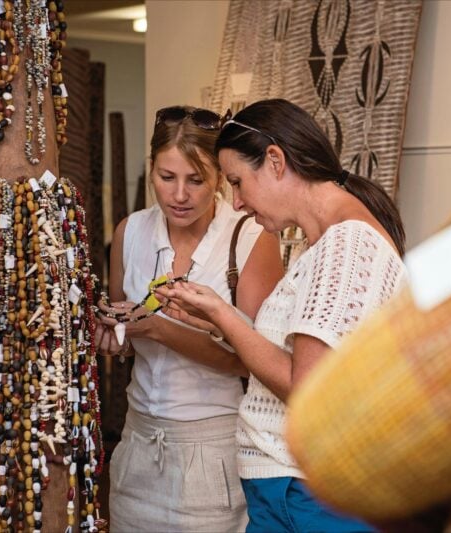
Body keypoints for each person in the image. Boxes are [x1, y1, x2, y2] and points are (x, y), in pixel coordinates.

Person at [158, 98, 408, 532]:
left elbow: (305, 386)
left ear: (275, 161)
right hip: (295, 490)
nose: (236, 203)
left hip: (309, 493)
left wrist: (224, 313)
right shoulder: (328, 242)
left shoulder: (346, 245)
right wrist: (219, 323)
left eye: (237, 182)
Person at [94, 105, 285, 532]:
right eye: (167, 178)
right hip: (138, 444)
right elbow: (125, 339)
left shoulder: (251, 237)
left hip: (214, 450)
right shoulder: (130, 232)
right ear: (151, 170)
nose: (180, 195)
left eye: (196, 180)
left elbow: (253, 362)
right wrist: (113, 335)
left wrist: (159, 329)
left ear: (220, 176)